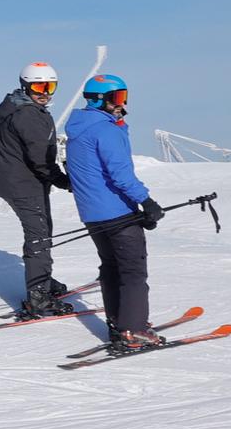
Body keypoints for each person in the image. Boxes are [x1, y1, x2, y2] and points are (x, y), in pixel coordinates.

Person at [65, 73, 167, 351]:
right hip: (117, 212)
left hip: (93, 215)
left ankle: (118, 323)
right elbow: (120, 175)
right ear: (100, 100)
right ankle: (133, 330)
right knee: (133, 271)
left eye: (125, 97)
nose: (123, 104)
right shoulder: (105, 130)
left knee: (111, 267)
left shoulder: (78, 129)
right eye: (118, 98)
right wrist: (146, 202)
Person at [0, 62, 75, 316]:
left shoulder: (17, 108)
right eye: (40, 86)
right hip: (25, 185)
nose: (46, 92)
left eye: (51, 86)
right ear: (25, 86)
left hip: (21, 183)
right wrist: (63, 180)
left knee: (42, 232)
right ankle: (39, 294)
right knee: (38, 236)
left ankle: (42, 281)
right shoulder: (28, 115)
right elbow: (40, 158)